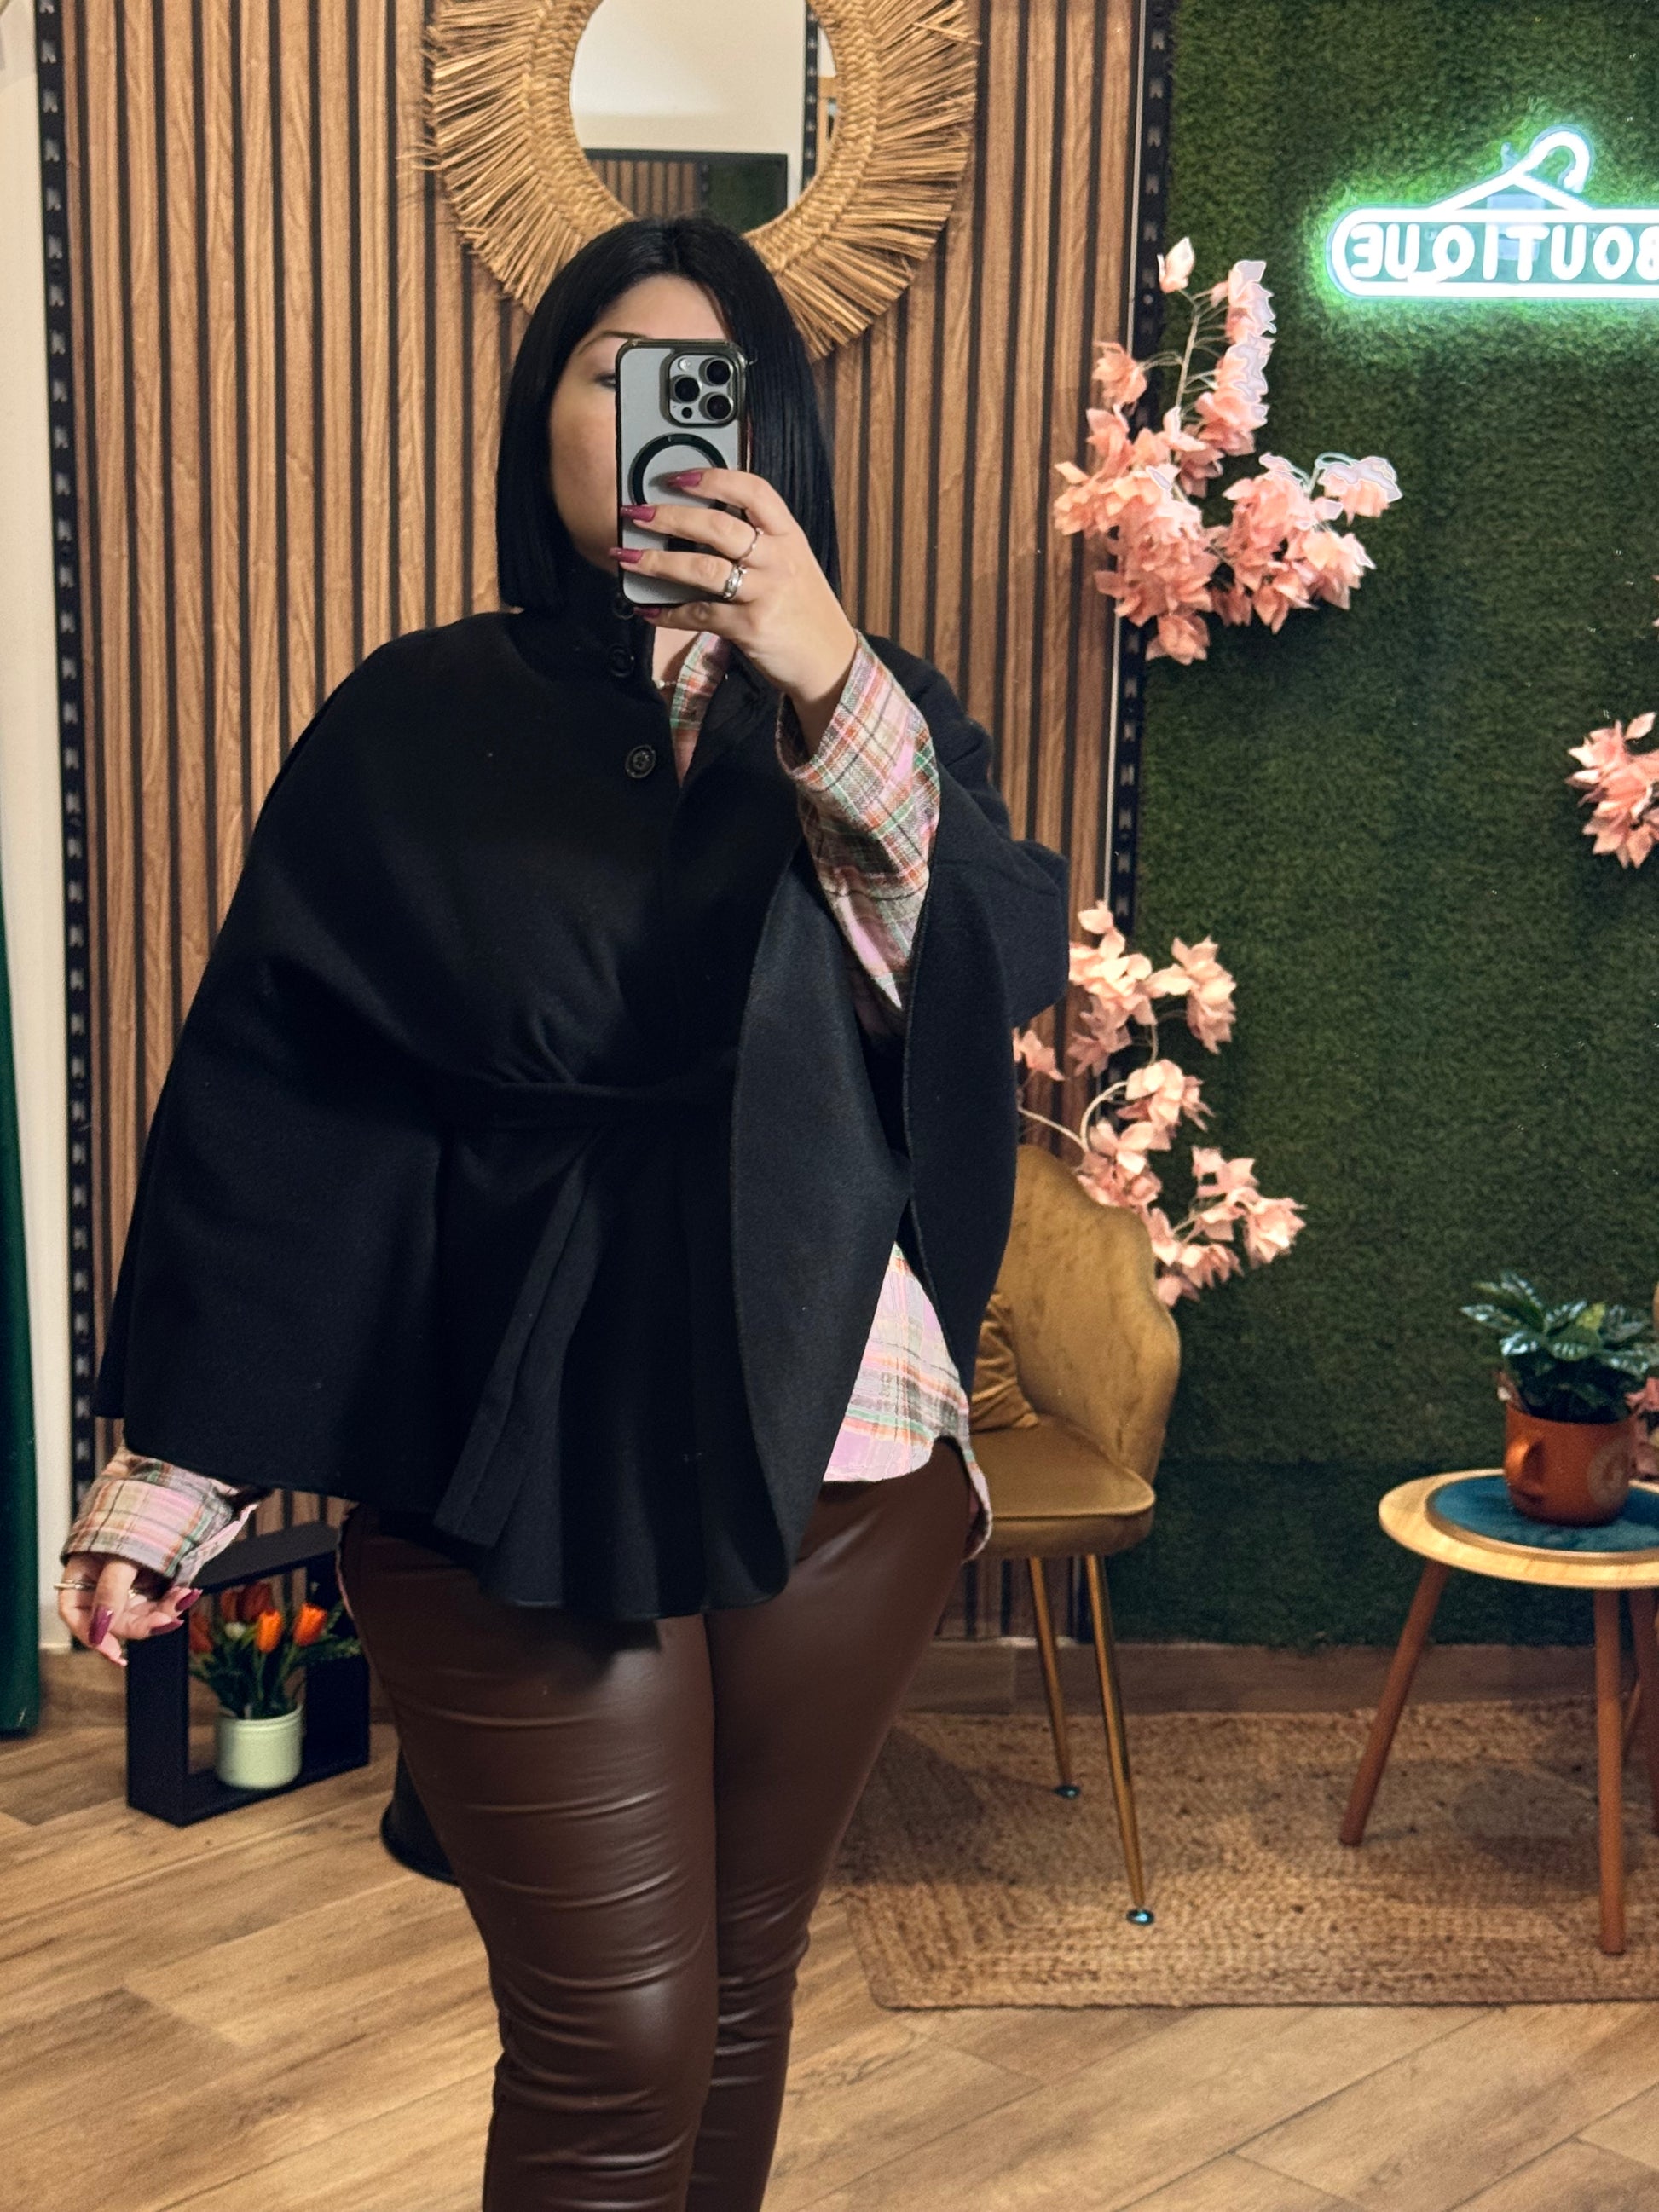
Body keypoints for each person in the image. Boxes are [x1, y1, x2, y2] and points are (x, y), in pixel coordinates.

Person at [56, 215, 1070, 2211]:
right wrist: (177, 1461)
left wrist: (824, 673)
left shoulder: (870, 706)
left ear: (773, 432)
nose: (657, 420)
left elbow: (965, 974)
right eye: (615, 373)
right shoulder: (414, 714)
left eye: (708, 386)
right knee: (616, 2039)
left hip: (841, 1439)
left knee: (744, 1990)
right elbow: (285, 1079)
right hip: (505, 1425)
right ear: (546, 423)